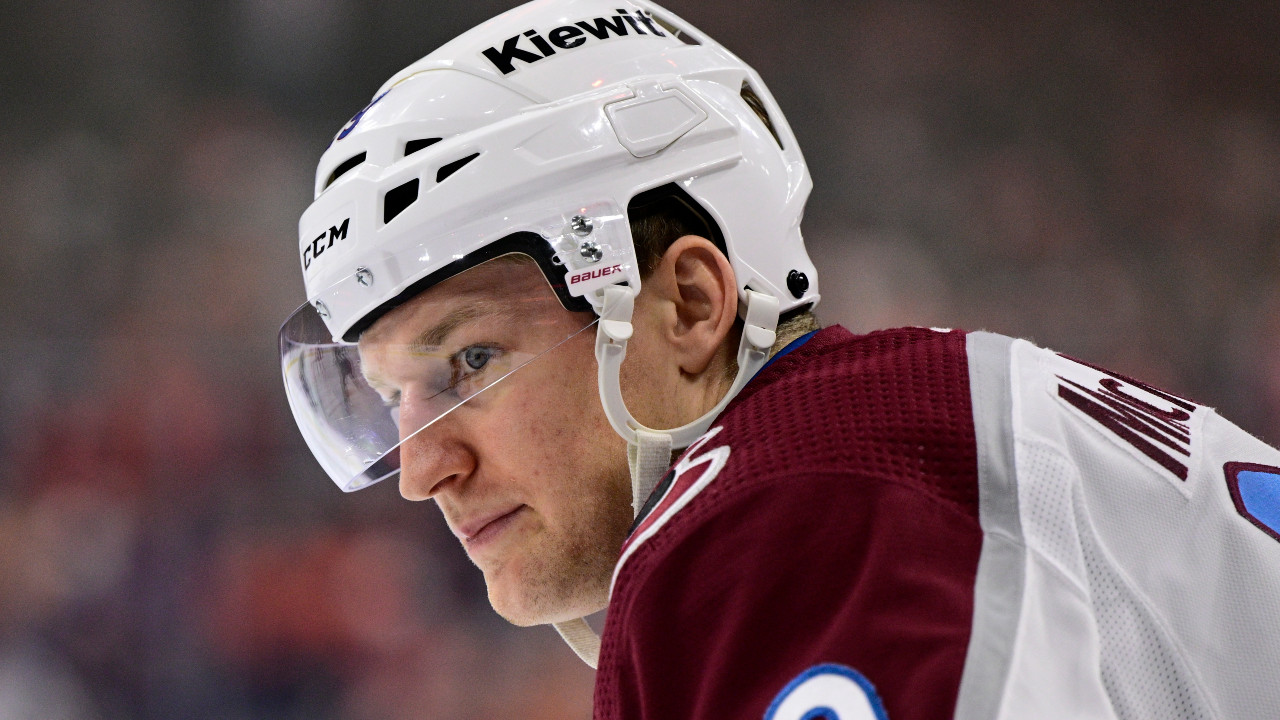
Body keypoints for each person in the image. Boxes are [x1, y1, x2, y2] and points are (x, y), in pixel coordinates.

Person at [278, 1, 1280, 717]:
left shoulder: (789, 500)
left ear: (688, 306)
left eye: (468, 360)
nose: (422, 469)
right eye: (392, 396)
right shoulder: (898, 436)